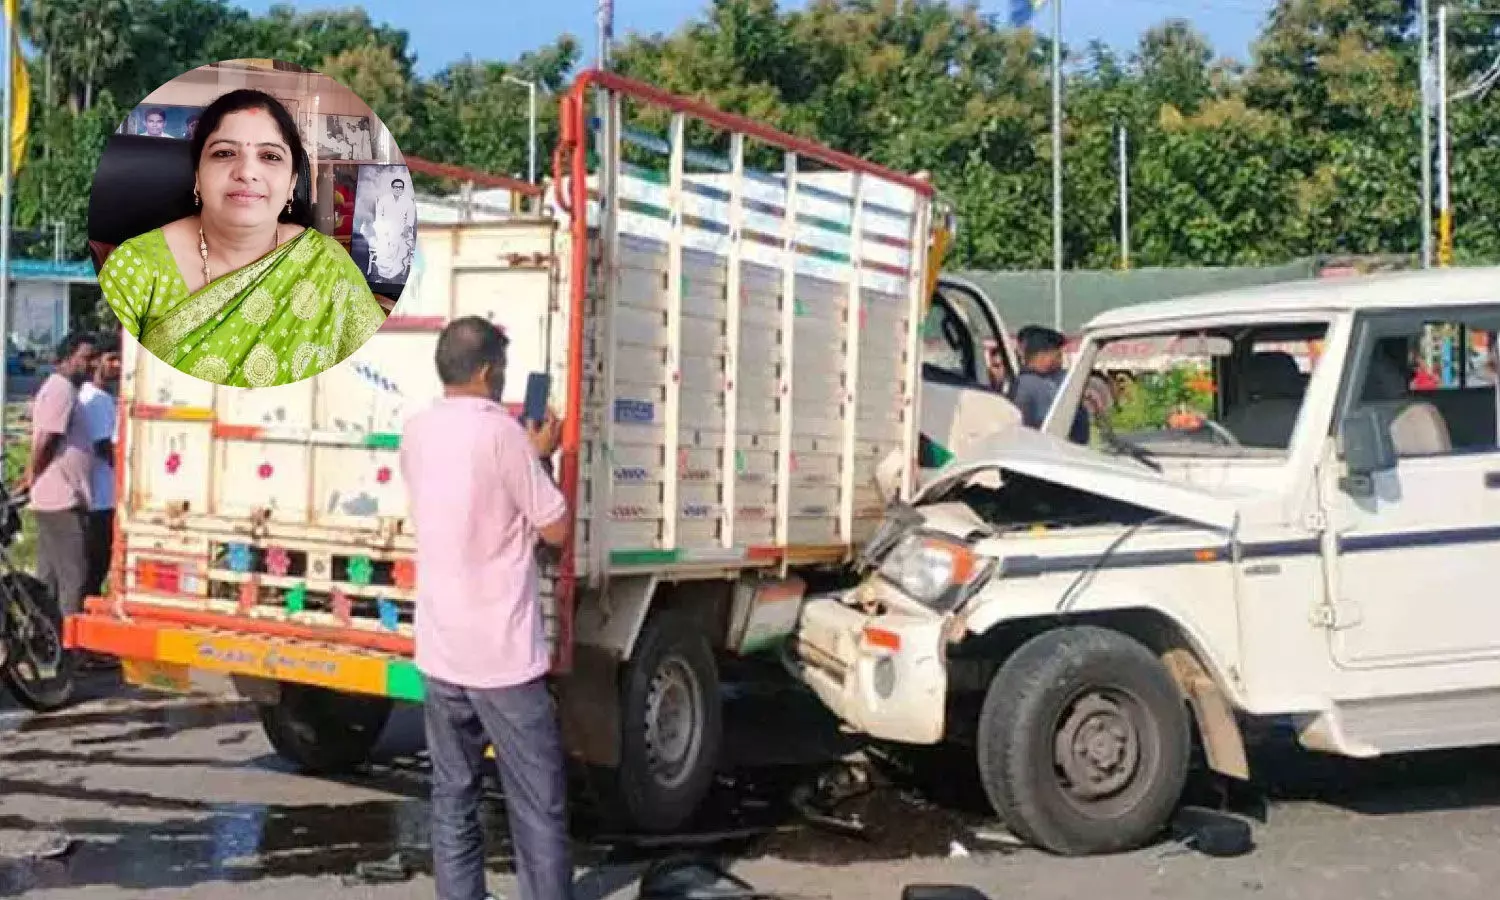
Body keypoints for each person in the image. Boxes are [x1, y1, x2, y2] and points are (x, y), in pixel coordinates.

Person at [400, 317, 573, 900]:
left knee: (453, 796)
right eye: (499, 367)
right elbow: (555, 528)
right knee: (537, 804)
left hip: (441, 649)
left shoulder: (416, 431)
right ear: (485, 371)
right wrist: (541, 456)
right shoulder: (503, 436)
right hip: (503, 657)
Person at [98, 88, 386, 388]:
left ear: (291, 183)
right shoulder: (135, 266)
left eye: (270, 156)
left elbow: (377, 374)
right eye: (224, 153)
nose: (247, 172)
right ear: (197, 176)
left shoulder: (327, 264)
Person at [20, 333, 99, 635]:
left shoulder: (63, 389)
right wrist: (32, 475)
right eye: (85, 358)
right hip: (60, 499)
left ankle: (43, 641)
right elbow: (48, 439)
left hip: (56, 497)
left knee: (50, 578)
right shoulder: (61, 390)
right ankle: (67, 645)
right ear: (66, 358)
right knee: (73, 578)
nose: (91, 364)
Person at [78, 340, 121, 601]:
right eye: (110, 359)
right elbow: (104, 446)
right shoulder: (95, 400)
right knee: (95, 566)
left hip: (104, 497)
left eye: (119, 359)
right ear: (96, 362)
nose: (117, 365)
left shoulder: (104, 399)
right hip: (99, 499)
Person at [1010, 325, 1090, 445]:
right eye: (1057, 355)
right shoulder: (1026, 386)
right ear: (1043, 355)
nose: (1060, 360)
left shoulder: (1057, 379)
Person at [368, 175, 416, 281]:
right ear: (392, 188)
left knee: (402, 245)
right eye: (396, 187)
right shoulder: (384, 199)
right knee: (384, 246)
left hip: (402, 229)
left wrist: (406, 228)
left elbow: (410, 218)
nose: (398, 189)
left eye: (400, 187)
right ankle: (384, 275)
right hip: (385, 229)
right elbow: (379, 216)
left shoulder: (408, 201)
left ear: (403, 189)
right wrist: (383, 230)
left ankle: (397, 275)